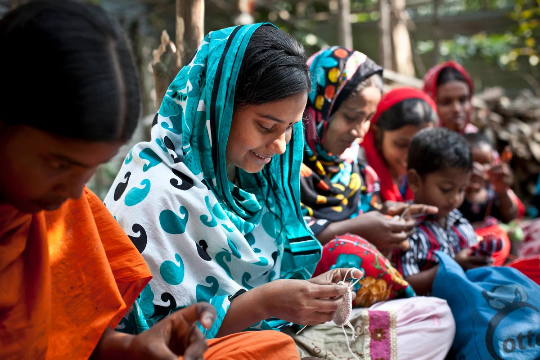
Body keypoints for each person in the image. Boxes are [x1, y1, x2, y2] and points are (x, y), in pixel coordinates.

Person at [0, 3, 301, 359]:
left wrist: (132, 348)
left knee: (272, 348)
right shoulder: (153, 192)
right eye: (58, 164)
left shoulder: (68, 208)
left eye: (92, 169)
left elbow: (80, 339)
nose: (72, 191)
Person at [105, 24, 363, 340]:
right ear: (218, 109)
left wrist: (307, 294)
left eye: (291, 128)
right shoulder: (153, 197)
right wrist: (266, 303)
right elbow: (159, 338)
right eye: (267, 126)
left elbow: (257, 289)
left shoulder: (247, 177)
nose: (281, 145)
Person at [300, 47, 437, 255]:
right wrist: (358, 230)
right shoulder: (283, 169)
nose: (360, 132)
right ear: (318, 105)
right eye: (350, 117)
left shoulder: (358, 173)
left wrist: (383, 216)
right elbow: (284, 239)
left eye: (367, 118)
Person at [392, 128, 493, 295]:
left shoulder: (458, 221)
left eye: (461, 190)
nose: (455, 198)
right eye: (446, 189)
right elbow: (404, 286)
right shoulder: (406, 229)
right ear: (415, 181)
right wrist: (452, 266)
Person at [363, 87, 437, 203]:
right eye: (401, 145)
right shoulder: (358, 173)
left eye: (422, 145)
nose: (411, 155)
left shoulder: (429, 175)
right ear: (378, 134)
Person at [459, 132, 523, 225]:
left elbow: (511, 220)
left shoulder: (492, 193)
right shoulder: (452, 192)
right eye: (472, 162)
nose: (478, 169)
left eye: (485, 163)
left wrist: (502, 191)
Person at [423, 61, 475, 133]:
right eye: (446, 102)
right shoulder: (420, 142)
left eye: (462, 100)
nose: (456, 109)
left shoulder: (476, 139)